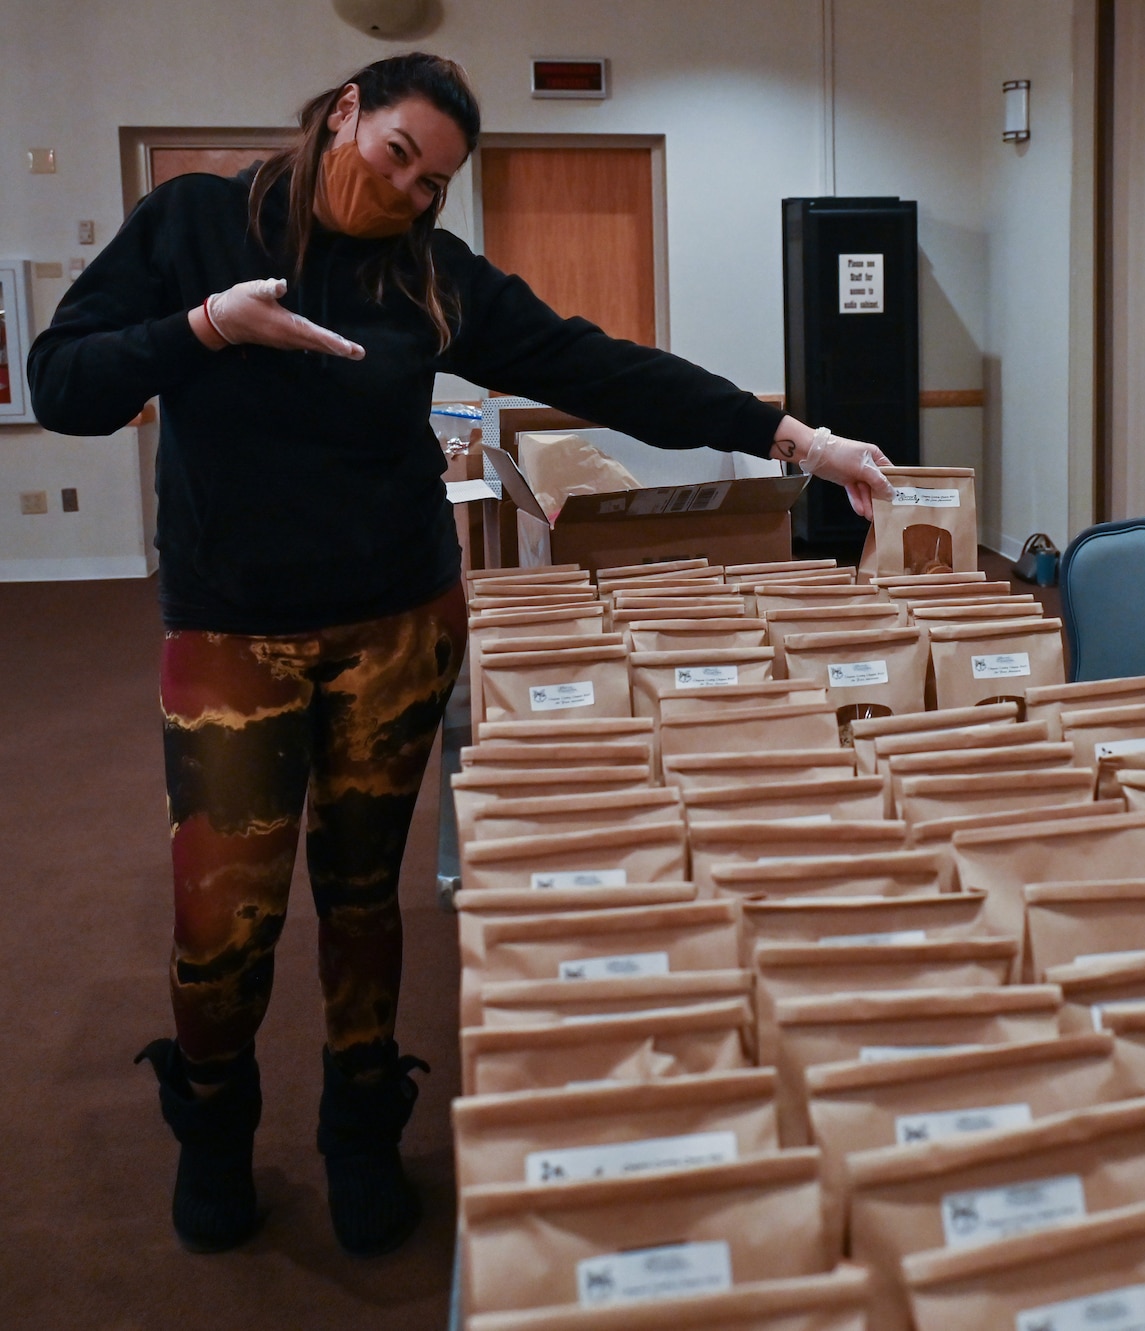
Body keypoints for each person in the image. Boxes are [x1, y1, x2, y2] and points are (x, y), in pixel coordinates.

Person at [27, 51, 891, 1257]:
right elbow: (59, 382)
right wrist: (204, 329)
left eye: (435, 182)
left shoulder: (428, 278)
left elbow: (597, 364)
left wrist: (793, 435)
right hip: (233, 627)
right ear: (345, 112)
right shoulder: (197, 223)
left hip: (395, 619)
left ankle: (361, 1127)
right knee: (223, 918)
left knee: (364, 892)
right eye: (398, 158)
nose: (411, 194)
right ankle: (214, 1129)